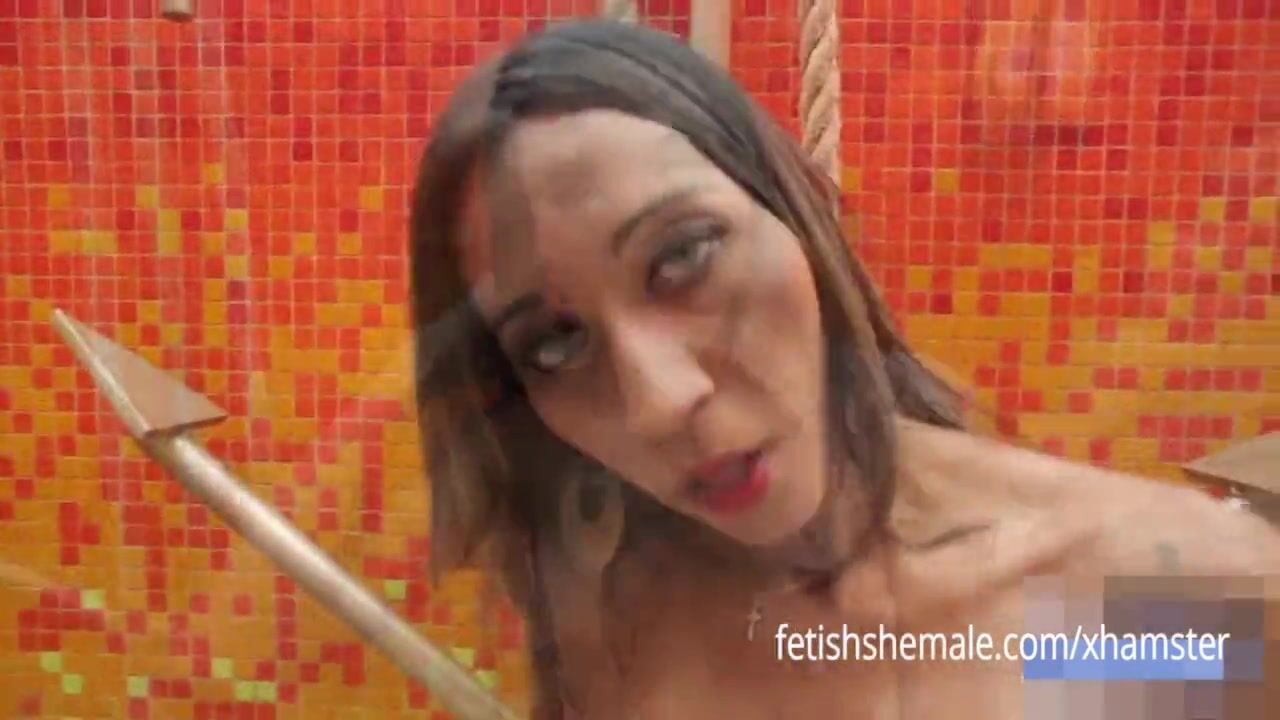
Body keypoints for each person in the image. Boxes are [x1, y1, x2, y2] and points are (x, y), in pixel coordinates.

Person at [407, 19, 1280, 720]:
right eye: (555, 345)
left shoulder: (1158, 598)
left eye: (682, 258)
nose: (660, 402)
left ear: (799, 218)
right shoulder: (619, 610)